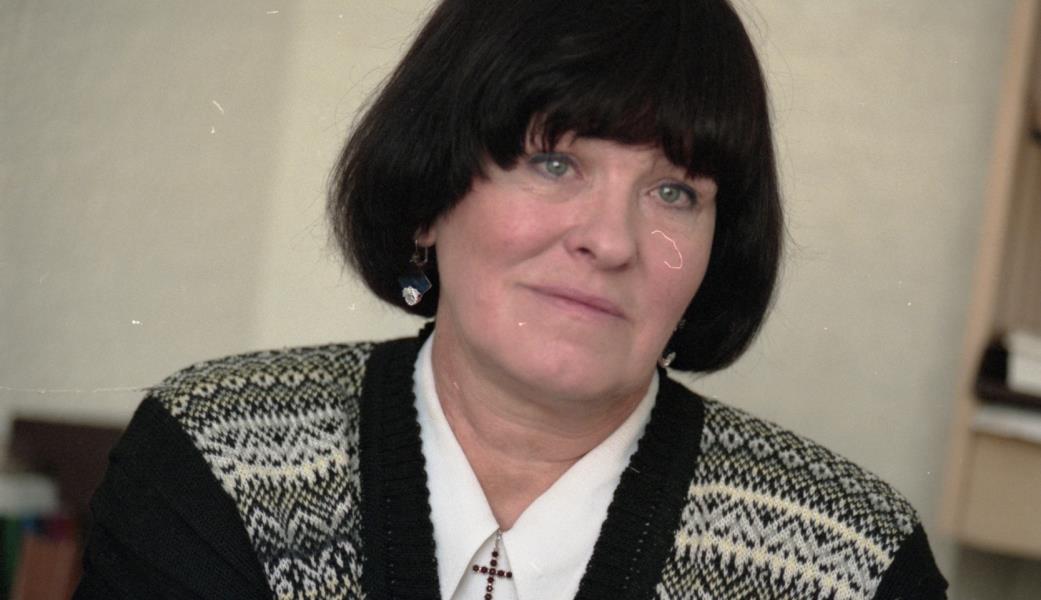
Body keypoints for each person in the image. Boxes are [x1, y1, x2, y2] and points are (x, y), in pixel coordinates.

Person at [75, 0, 948, 598]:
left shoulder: (851, 565)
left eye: (674, 191)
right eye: (554, 162)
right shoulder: (218, 460)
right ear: (428, 195)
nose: (610, 240)